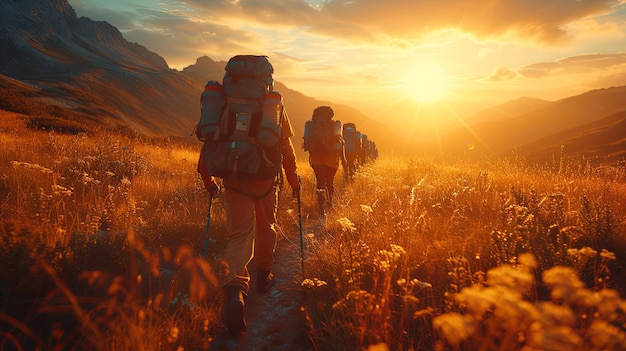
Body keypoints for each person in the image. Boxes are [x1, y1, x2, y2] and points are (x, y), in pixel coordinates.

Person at [306, 106, 347, 217]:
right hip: (331, 160)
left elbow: (308, 144)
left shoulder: (314, 126)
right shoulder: (334, 125)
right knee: (330, 182)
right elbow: (340, 143)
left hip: (316, 160)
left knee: (320, 182)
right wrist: (343, 160)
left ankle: (320, 206)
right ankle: (330, 204)